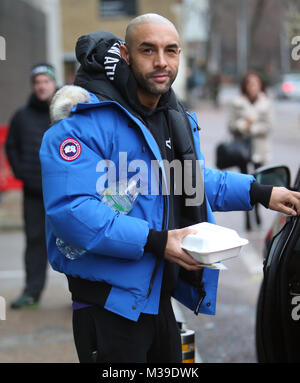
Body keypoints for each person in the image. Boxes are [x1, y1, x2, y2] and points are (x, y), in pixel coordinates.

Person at [40, 14, 300, 363]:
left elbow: (188, 179)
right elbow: (72, 213)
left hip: (158, 298)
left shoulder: (168, 117)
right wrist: (157, 241)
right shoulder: (81, 124)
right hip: (108, 306)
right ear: (126, 55)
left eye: (171, 50)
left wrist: (262, 193)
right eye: (148, 50)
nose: (161, 61)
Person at [6, 63, 56, 308]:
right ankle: (31, 293)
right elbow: (11, 146)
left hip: (63, 192)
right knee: (35, 242)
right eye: (37, 83)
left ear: (54, 83)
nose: (41, 86)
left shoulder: (65, 113)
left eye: (46, 81)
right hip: (33, 193)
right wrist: (21, 172)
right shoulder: (21, 116)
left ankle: (81, 298)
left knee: (74, 243)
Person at [228, 71, 273, 230]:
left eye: (256, 83)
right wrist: (242, 125)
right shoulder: (237, 103)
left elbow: (269, 126)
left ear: (260, 85)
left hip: (259, 150)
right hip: (242, 151)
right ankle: (247, 215)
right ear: (245, 86)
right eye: (249, 83)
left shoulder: (265, 103)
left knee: (259, 182)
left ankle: (258, 211)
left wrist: (252, 127)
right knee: (244, 183)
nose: (252, 87)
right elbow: (231, 126)